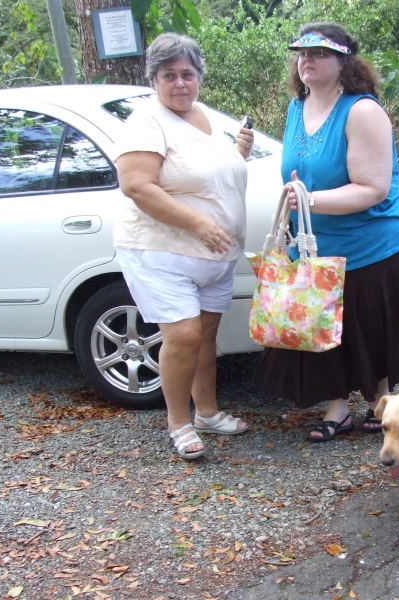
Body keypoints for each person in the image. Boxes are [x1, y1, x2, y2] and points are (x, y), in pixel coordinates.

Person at [253, 22, 399, 441]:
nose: (307, 60)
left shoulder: (362, 111)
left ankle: (379, 401)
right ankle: (338, 409)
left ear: (343, 62)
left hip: (376, 243)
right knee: (324, 325)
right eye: (301, 53)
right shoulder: (297, 107)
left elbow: (373, 189)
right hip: (318, 245)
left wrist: (310, 200)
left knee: (372, 327)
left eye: (319, 53)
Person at [113, 32, 254, 459]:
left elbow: (204, 177)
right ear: (154, 79)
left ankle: (207, 413)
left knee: (206, 336)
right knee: (185, 335)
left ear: (199, 77)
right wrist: (198, 224)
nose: (180, 83)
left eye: (188, 74)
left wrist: (238, 153)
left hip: (214, 254)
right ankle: (179, 423)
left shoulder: (203, 115)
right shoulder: (146, 120)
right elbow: (136, 185)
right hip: (162, 250)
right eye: (169, 75)